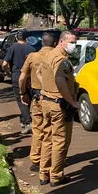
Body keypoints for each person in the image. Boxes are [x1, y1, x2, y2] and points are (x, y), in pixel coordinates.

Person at [39, 31, 79, 187]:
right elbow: (60, 80)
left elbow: (39, 73)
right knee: (60, 141)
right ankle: (56, 175)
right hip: (59, 104)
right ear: (62, 42)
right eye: (72, 42)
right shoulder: (61, 60)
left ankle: (44, 173)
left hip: (47, 102)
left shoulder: (48, 55)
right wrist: (71, 101)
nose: (74, 46)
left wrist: (47, 90)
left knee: (47, 138)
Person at [19, 32, 57, 173]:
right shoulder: (58, 56)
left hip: (37, 96)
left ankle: (36, 160)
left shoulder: (33, 56)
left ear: (42, 43)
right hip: (53, 97)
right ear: (54, 43)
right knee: (53, 130)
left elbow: (22, 78)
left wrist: (23, 93)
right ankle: (51, 159)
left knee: (38, 129)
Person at [3, 31, 35, 134]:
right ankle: (24, 119)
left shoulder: (12, 47)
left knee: (21, 100)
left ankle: (27, 122)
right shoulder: (32, 49)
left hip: (17, 76)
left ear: (17, 38)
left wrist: (7, 72)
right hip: (29, 78)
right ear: (26, 39)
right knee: (28, 99)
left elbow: (4, 63)